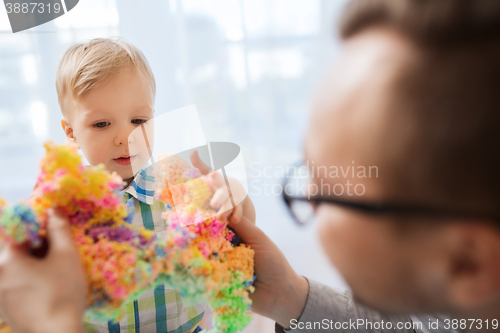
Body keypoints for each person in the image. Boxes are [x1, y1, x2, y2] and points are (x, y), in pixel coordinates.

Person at [2, 0, 500, 332]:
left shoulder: (171, 178)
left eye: (322, 189)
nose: (123, 136)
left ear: (469, 262)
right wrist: (290, 296)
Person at [55, 38, 256, 333]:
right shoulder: (68, 207)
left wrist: (233, 196)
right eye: (101, 124)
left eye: (138, 119)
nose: (125, 137)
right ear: (71, 133)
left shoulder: (176, 184)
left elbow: (239, 228)